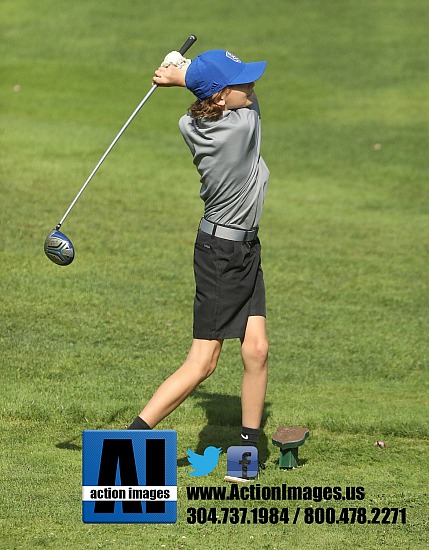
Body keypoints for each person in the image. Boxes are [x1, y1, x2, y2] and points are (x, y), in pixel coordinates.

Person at [128, 49, 270, 463]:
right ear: (223, 97)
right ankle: (128, 443)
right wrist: (184, 72)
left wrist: (184, 76)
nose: (253, 87)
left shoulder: (190, 123)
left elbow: (207, 95)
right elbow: (252, 104)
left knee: (256, 349)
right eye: (243, 83)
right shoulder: (241, 128)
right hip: (222, 256)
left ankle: (246, 452)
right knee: (203, 363)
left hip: (241, 248)